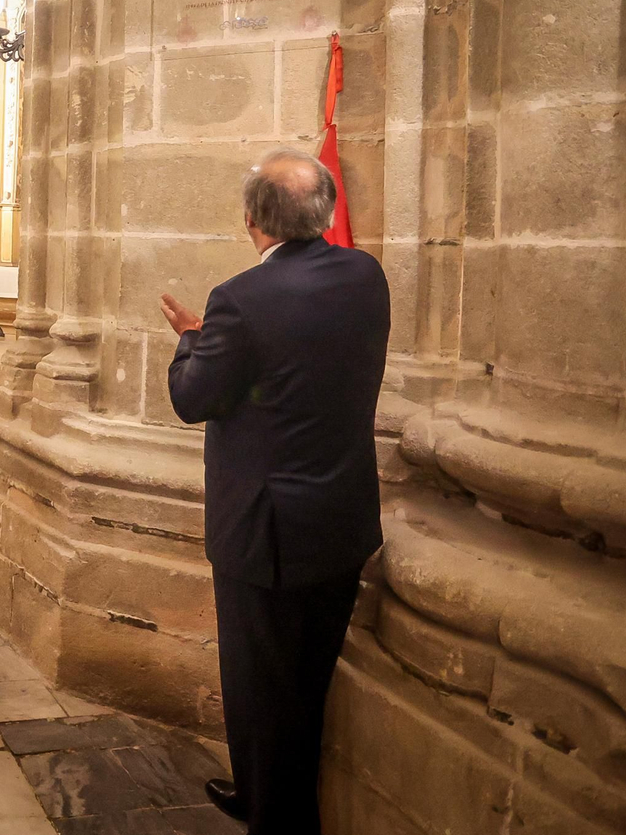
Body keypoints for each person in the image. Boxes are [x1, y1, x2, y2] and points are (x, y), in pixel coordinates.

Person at [162, 148, 390, 835]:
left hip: (265, 534)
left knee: (261, 689)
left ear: (253, 219)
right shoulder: (365, 275)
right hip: (341, 520)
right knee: (306, 682)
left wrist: (191, 343)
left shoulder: (240, 299)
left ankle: (276, 818)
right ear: (322, 212)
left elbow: (192, 398)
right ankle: (264, 794)